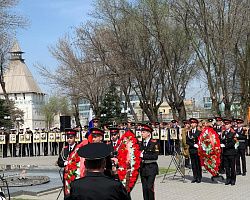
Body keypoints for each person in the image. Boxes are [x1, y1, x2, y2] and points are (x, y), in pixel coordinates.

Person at [140, 123, 159, 200]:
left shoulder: (154, 143)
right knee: (144, 188)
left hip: (151, 167)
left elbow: (155, 156)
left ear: (148, 133)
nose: (142, 133)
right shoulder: (140, 143)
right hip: (143, 168)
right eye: (141, 132)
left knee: (149, 187)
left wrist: (143, 156)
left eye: (143, 132)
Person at [57, 128, 78, 196]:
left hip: (75, 175)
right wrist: (65, 163)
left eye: (71, 138)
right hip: (66, 175)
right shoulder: (64, 149)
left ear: (75, 138)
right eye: (68, 138)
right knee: (67, 194)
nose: (69, 139)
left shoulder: (78, 148)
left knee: (75, 193)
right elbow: (59, 162)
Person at [220, 119, 237, 185]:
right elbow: (221, 140)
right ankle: (228, 178)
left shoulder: (233, 133)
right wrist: (221, 144)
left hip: (231, 153)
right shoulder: (223, 133)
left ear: (230, 125)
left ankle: (233, 179)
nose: (226, 126)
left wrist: (225, 145)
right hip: (225, 153)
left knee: (232, 167)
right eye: (225, 124)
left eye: (227, 124)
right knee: (226, 167)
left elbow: (233, 142)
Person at [186, 118, 202, 183]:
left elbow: (201, 141)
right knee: (193, 164)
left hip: (197, 151)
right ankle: (194, 177)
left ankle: (199, 177)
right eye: (191, 123)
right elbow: (187, 141)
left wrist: (198, 145)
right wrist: (193, 145)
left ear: (196, 124)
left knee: (198, 164)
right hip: (192, 150)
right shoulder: (189, 132)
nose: (192, 124)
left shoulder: (199, 132)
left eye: (193, 123)